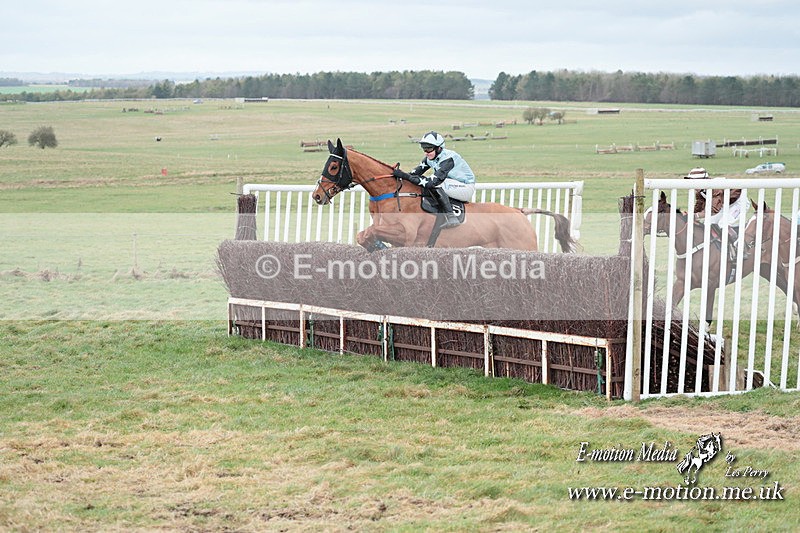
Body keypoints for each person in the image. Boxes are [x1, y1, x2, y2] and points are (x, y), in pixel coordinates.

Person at [392, 131, 476, 228]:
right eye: (424, 148)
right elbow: (414, 174)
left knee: (435, 183)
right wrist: (397, 174)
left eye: (429, 149)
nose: (426, 153)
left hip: (465, 187)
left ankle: (451, 217)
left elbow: (432, 183)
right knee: (422, 180)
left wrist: (405, 176)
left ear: (439, 148)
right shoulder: (430, 158)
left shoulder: (448, 159)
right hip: (452, 185)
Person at [684, 166, 746, 244]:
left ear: (702, 180)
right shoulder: (700, 191)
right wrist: (689, 215)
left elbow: (713, 210)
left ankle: (738, 245)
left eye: (693, 182)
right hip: (723, 205)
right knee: (707, 223)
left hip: (739, 204)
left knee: (723, 223)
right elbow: (699, 207)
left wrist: (696, 216)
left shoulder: (715, 187)